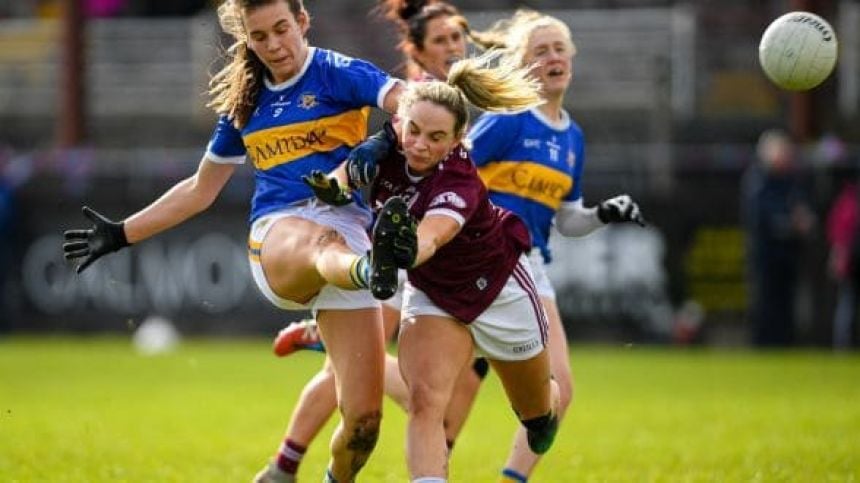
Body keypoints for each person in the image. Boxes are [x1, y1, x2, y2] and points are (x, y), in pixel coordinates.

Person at [61, 1, 405, 481]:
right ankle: (372, 269)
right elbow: (200, 190)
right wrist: (121, 233)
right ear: (247, 40)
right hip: (280, 237)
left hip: (349, 238)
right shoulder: (245, 102)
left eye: (282, 29)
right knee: (319, 241)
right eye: (259, 36)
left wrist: (384, 139)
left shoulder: (337, 72)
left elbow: (408, 100)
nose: (274, 45)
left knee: (364, 425)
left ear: (302, 23)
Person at [306, 48, 563, 481]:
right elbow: (343, 177)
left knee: (536, 417)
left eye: (437, 137)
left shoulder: (458, 178)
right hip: (434, 295)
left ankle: (544, 412)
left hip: (497, 290)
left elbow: (433, 235)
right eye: (414, 131)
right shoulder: (388, 145)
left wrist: (404, 251)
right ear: (400, 124)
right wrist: (340, 180)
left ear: (457, 140)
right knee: (426, 401)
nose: (421, 145)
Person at [261, 2, 487, 480]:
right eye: (441, 40)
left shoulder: (461, 105)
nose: (452, 47)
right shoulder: (415, 104)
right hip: (400, 252)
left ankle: (292, 455)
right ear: (417, 49)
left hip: (450, 255)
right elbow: (378, 151)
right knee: (403, 389)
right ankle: (289, 464)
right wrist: (373, 149)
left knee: (450, 385)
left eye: (457, 38)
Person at [465, 10, 644, 482]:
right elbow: (453, 171)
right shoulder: (508, 119)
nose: (553, 57)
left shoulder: (573, 137)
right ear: (523, 65)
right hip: (475, 261)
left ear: (572, 59)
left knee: (558, 390)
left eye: (559, 48)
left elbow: (567, 220)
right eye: (540, 50)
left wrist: (605, 213)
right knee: (436, 389)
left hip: (529, 267)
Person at [741, 128, 815, 347]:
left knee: (787, 303)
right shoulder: (758, 180)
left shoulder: (792, 180)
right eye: (781, 151)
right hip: (765, 254)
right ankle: (763, 346)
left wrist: (805, 221)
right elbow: (759, 217)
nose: (786, 156)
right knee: (765, 304)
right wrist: (789, 224)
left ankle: (786, 344)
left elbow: (803, 208)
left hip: (789, 254)